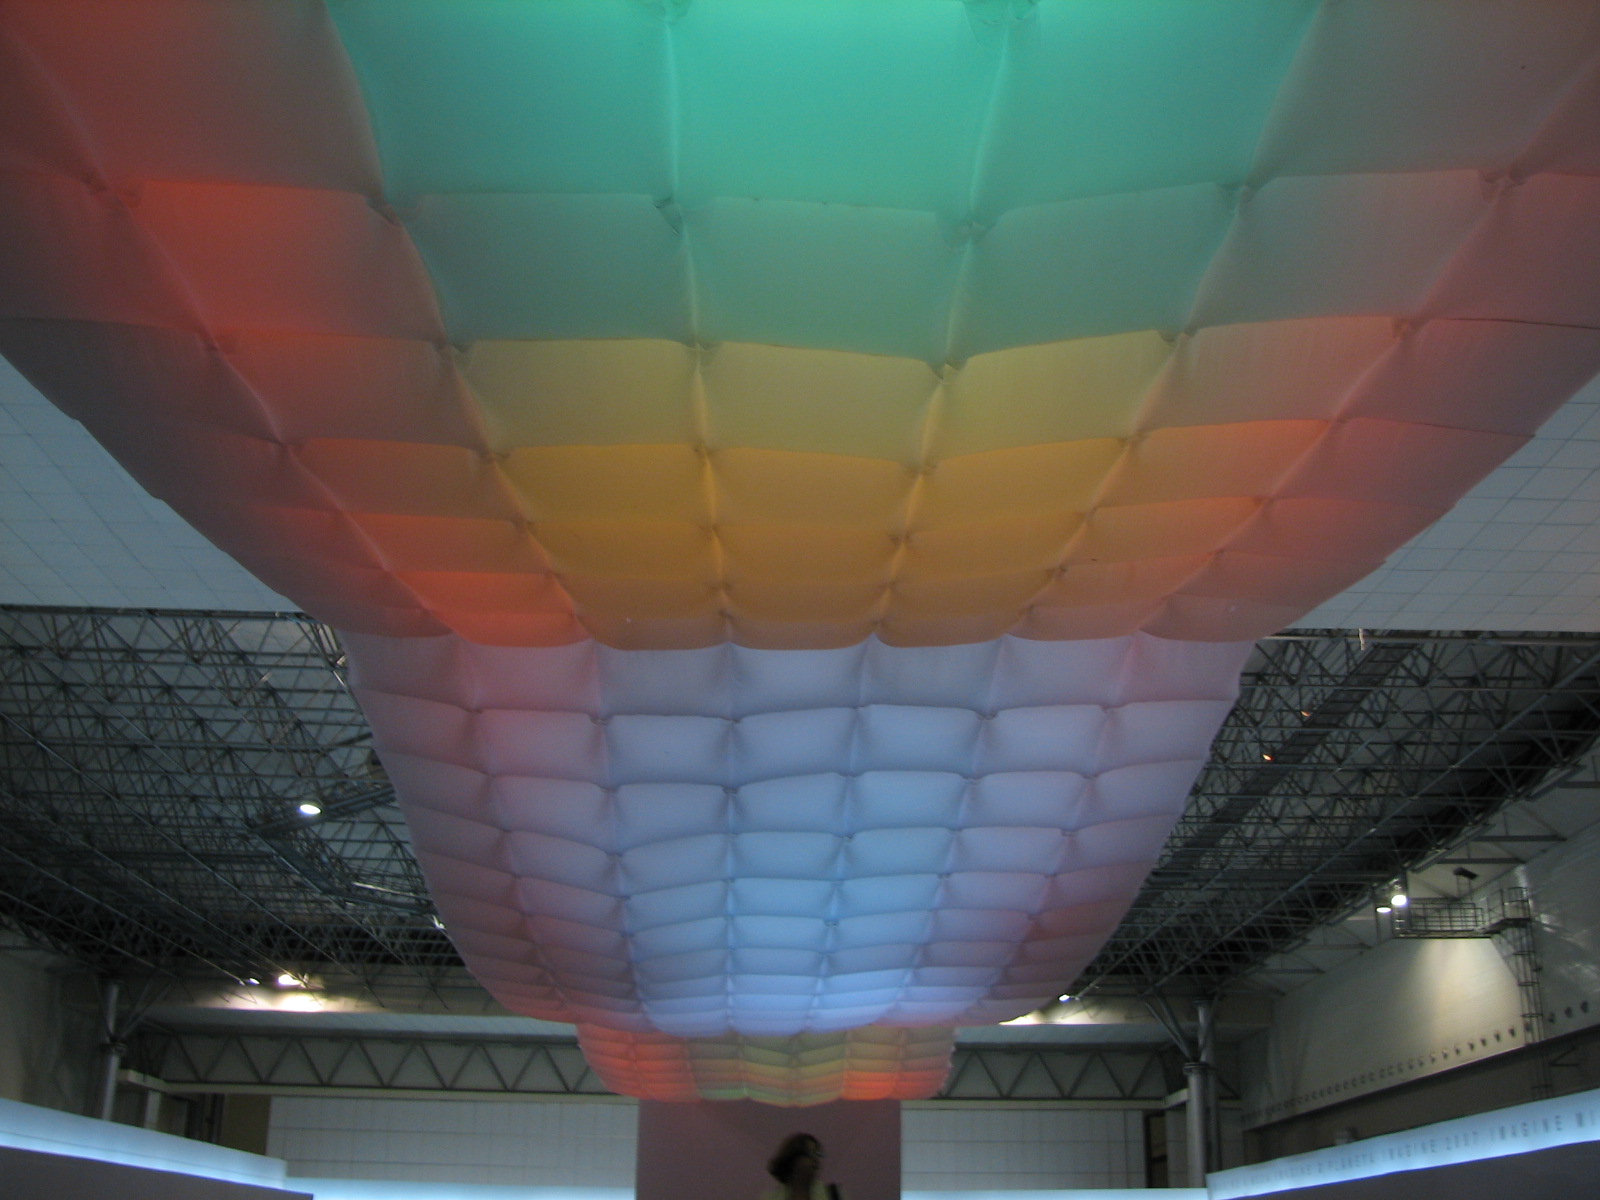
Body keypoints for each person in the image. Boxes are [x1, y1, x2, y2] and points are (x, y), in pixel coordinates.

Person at [764, 1132, 839, 1200]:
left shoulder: (833, 1195)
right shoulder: (770, 1198)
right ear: (794, 1160)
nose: (816, 1160)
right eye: (810, 1155)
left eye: (818, 1155)